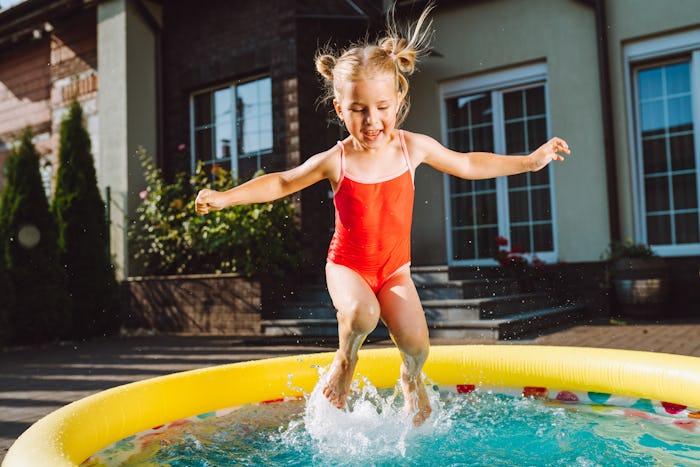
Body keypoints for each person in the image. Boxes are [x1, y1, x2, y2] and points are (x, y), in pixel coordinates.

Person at [194, 4, 569, 427]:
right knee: (362, 315)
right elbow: (281, 182)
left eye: (382, 107)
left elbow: (466, 164)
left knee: (418, 345)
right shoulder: (335, 159)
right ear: (340, 109)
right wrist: (226, 197)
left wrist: (527, 162)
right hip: (347, 267)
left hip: (395, 272)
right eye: (358, 110)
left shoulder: (413, 147)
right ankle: (345, 358)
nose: (372, 121)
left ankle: (411, 380)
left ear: (398, 101)